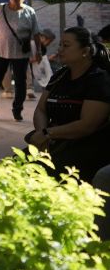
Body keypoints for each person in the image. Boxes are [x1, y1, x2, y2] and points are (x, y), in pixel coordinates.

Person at [26, 27, 110, 182]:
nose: (60, 50)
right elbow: (41, 110)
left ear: (84, 51)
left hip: (85, 146)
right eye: (60, 45)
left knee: (43, 174)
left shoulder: (98, 79)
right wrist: (42, 135)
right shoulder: (60, 75)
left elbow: (87, 125)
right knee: (13, 166)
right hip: (53, 141)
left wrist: (48, 134)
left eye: (66, 45)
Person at [0, 0, 40, 121]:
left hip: (20, 54)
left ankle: (17, 110)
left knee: (20, 82)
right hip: (0, 52)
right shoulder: (0, 8)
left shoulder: (29, 12)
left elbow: (36, 33)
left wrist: (38, 51)